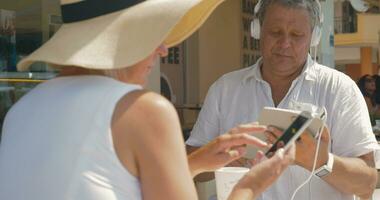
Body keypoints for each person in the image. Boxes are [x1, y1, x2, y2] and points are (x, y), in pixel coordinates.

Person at [0, 0, 294, 200]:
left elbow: (99, 180)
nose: (163, 49)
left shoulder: (23, 109)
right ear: (124, 38)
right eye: (154, 34)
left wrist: (191, 164)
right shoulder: (143, 110)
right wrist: (251, 185)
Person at [186, 0, 379, 199]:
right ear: (257, 30)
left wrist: (322, 162)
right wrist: (224, 157)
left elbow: (367, 183)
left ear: (314, 37)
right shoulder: (224, 89)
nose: (285, 43)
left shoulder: (339, 89)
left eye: (296, 35)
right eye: (275, 32)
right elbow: (189, 165)